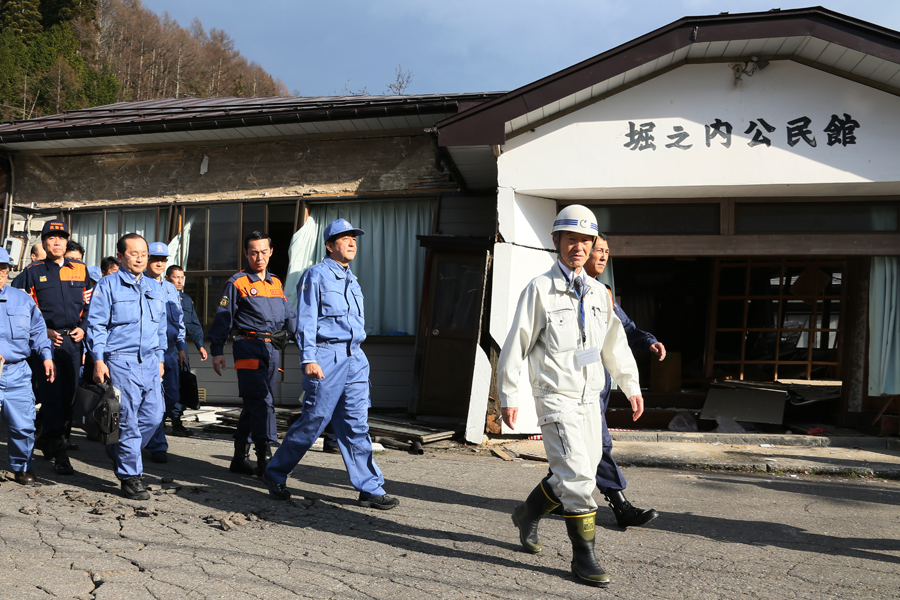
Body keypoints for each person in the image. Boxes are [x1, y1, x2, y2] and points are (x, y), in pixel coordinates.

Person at [499, 205, 643, 588]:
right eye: (570, 239)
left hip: (589, 397)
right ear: (556, 242)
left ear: (594, 244)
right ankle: (584, 559)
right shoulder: (539, 289)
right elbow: (516, 345)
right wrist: (508, 394)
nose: (578, 247)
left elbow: (614, 344)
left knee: (582, 468)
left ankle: (527, 514)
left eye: (585, 241)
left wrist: (631, 385)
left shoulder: (599, 293)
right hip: (555, 396)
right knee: (578, 477)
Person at [263, 219, 399, 510]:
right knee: (313, 422)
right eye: (344, 238)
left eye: (354, 238)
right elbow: (307, 321)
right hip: (326, 357)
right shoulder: (317, 276)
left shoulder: (352, 279)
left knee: (356, 425)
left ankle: (370, 488)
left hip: (355, 359)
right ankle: (275, 472)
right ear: (329, 245)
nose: (352, 243)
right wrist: (308, 358)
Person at [581, 235, 664, 527]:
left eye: (606, 252)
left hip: (598, 383)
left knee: (575, 451)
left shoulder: (603, 292)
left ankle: (546, 500)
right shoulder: (566, 289)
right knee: (598, 445)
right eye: (598, 251)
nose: (603, 257)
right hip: (574, 384)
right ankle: (621, 507)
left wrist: (648, 341)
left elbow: (625, 329)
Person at [208, 231, 296, 477]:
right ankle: (265, 460)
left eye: (263, 252)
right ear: (246, 254)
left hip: (272, 349)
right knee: (263, 401)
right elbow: (222, 319)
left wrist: (304, 338)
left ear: (271, 253)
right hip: (248, 347)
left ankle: (239, 458)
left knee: (253, 403)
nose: (259, 257)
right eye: (253, 252)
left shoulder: (276, 283)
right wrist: (217, 351)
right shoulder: (237, 283)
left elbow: (290, 316)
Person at [86, 233, 166, 500]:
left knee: (155, 415)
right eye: (134, 253)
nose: (141, 258)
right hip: (121, 360)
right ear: (121, 257)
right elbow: (96, 325)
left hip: (150, 361)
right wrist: (98, 359)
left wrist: (161, 358)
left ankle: (119, 449)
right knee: (129, 421)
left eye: (143, 253)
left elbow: (161, 328)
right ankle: (131, 476)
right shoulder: (108, 285)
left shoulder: (155, 288)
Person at [17, 219, 91, 475]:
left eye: (61, 237)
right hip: (45, 343)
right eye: (51, 237)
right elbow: (19, 309)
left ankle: (49, 438)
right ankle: (59, 452)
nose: (57, 242)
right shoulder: (32, 271)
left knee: (69, 396)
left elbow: (92, 304)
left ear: (66, 240)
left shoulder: (81, 269)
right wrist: (43, 332)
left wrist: (85, 325)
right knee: (51, 397)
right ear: (44, 242)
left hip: (73, 341)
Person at [0, 248, 55, 485]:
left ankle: (22, 466)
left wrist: (46, 355)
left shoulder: (22, 299)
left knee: (23, 426)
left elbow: (37, 331)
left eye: (3, 268)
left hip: (17, 372)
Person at [144, 243, 188, 462]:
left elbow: (178, 320)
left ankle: (148, 433)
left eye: (163, 259)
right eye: (154, 258)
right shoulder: (140, 284)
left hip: (170, 351)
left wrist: (181, 347)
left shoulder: (170, 288)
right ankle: (157, 443)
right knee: (154, 399)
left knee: (172, 396)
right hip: (150, 352)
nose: (159, 263)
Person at [165, 265, 208, 370]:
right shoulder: (160, 297)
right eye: (176, 277)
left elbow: (194, 325)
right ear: (166, 278)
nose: (180, 281)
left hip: (182, 347)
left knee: (183, 378)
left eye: (182, 277)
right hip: (166, 346)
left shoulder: (186, 299)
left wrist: (200, 346)